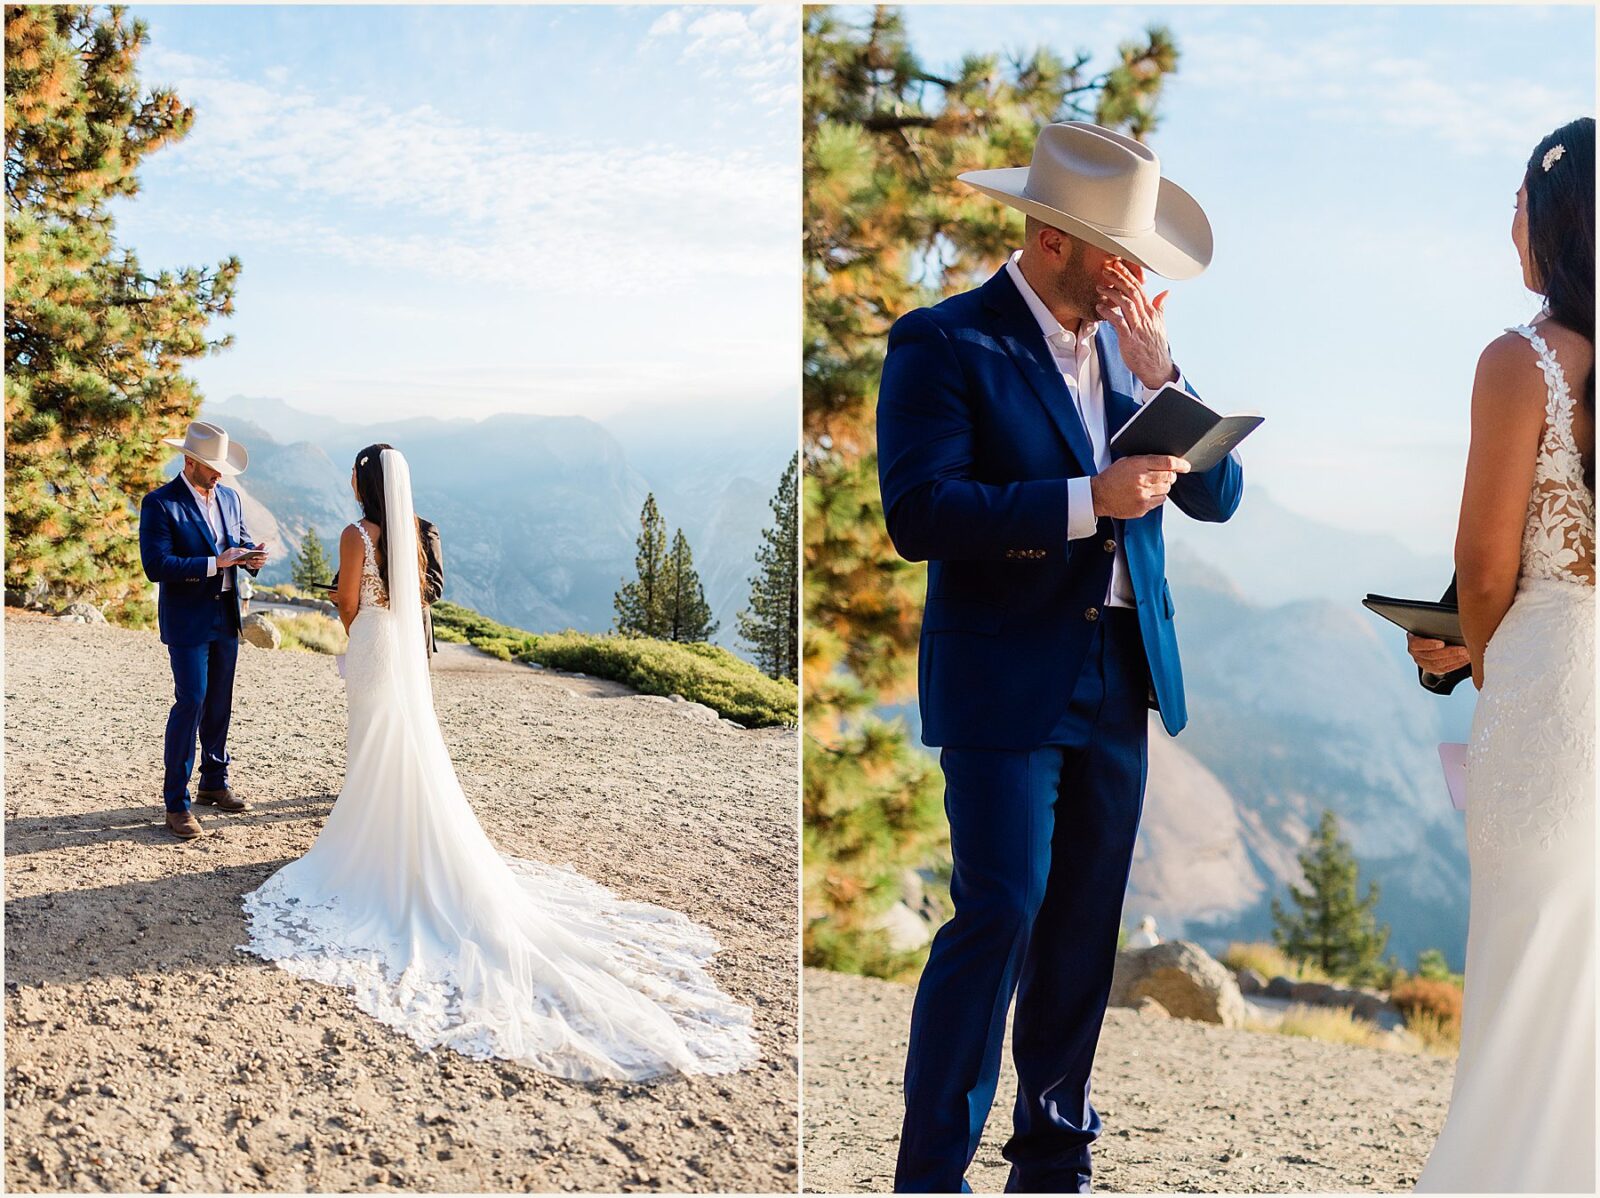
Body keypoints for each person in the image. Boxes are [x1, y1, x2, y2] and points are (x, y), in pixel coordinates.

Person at [876, 122, 1243, 1193]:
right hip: (1003, 677)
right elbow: (920, 510)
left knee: (1082, 927)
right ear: (1047, 236)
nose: (1133, 274)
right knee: (998, 914)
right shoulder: (943, 343)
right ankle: (930, 1172)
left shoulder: (1136, 362)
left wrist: (1164, 373)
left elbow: (1218, 494)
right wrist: (1091, 501)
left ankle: (1051, 1161)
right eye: (1114, 249)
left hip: (1121, 676)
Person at [240, 443, 758, 1081]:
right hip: (404, 644)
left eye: (353, 470)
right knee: (404, 741)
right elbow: (420, 596)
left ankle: (372, 839)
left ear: (362, 481)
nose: (347, 478)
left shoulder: (355, 533)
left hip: (374, 643)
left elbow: (347, 603)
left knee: (373, 738)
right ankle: (401, 830)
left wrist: (358, 625)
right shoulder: (412, 533)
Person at [1415, 117, 1595, 1193]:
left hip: (1554, 697)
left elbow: (1482, 566)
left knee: (1528, 986)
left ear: (1560, 223)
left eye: (1519, 204)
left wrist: (1473, 653)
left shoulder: (1521, 360)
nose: (1508, 226)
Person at [138, 421, 268, 840]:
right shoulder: (159, 504)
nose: (219, 474)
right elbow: (157, 566)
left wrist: (250, 558)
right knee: (190, 701)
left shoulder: (229, 497)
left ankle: (214, 782)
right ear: (188, 461)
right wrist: (218, 563)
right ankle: (176, 803)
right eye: (212, 467)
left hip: (225, 618)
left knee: (219, 705)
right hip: (188, 620)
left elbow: (238, 542)